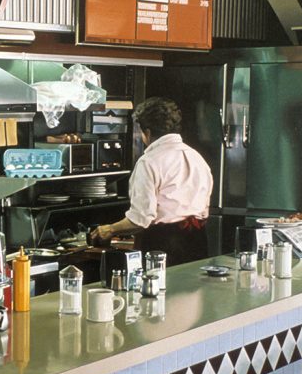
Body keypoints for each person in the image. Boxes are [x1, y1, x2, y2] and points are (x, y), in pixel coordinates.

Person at [90, 96, 212, 266]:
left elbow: (140, 219)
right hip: (198, 242)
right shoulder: (196, 157)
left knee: (160, 291)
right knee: (194, 290)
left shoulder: (149, 162)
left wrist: (109, 229)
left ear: (146, 132)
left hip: (163, 245)